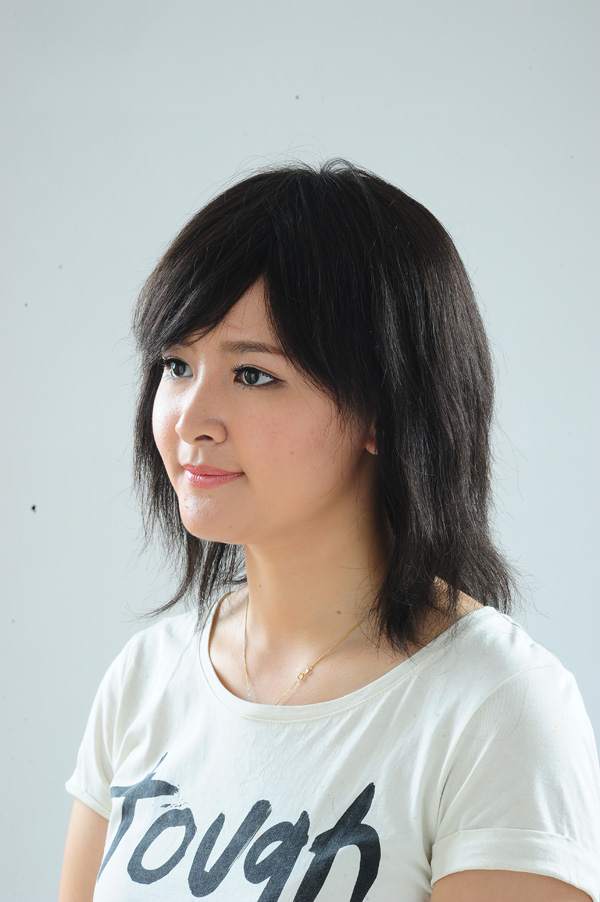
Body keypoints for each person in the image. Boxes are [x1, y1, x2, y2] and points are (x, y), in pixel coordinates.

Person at [59, 161, 600, 902]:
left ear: (384, 411)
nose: (189, 419)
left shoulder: (496, 708)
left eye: (253, 375)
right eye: (177, 365)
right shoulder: (146, 681)